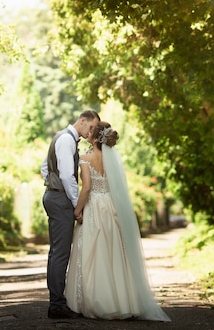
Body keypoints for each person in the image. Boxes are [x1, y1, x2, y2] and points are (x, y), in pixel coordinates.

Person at [66, 122, 171, 322]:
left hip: (95, 207)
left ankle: (100, 301)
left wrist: (77, 210)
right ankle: (122, 302)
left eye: (90, 132)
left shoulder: (85, 159)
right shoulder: (113, 160)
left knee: (94, 252)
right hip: (111, 207)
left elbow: (86, 188)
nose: (87, 133)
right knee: (114, 252)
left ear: (95, 138)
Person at [41, 109, 100, 319]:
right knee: (61, 253)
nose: (91, 132)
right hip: (60, 199)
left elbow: (45, 168)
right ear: (82, 121)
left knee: (56, 251)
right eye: (91, 127)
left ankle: (56, 302)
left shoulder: (61, 137)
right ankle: (57, 305)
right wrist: (78, 207)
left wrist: (50, 185)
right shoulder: (66, 140)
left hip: (54, 196)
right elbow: (67, 177)